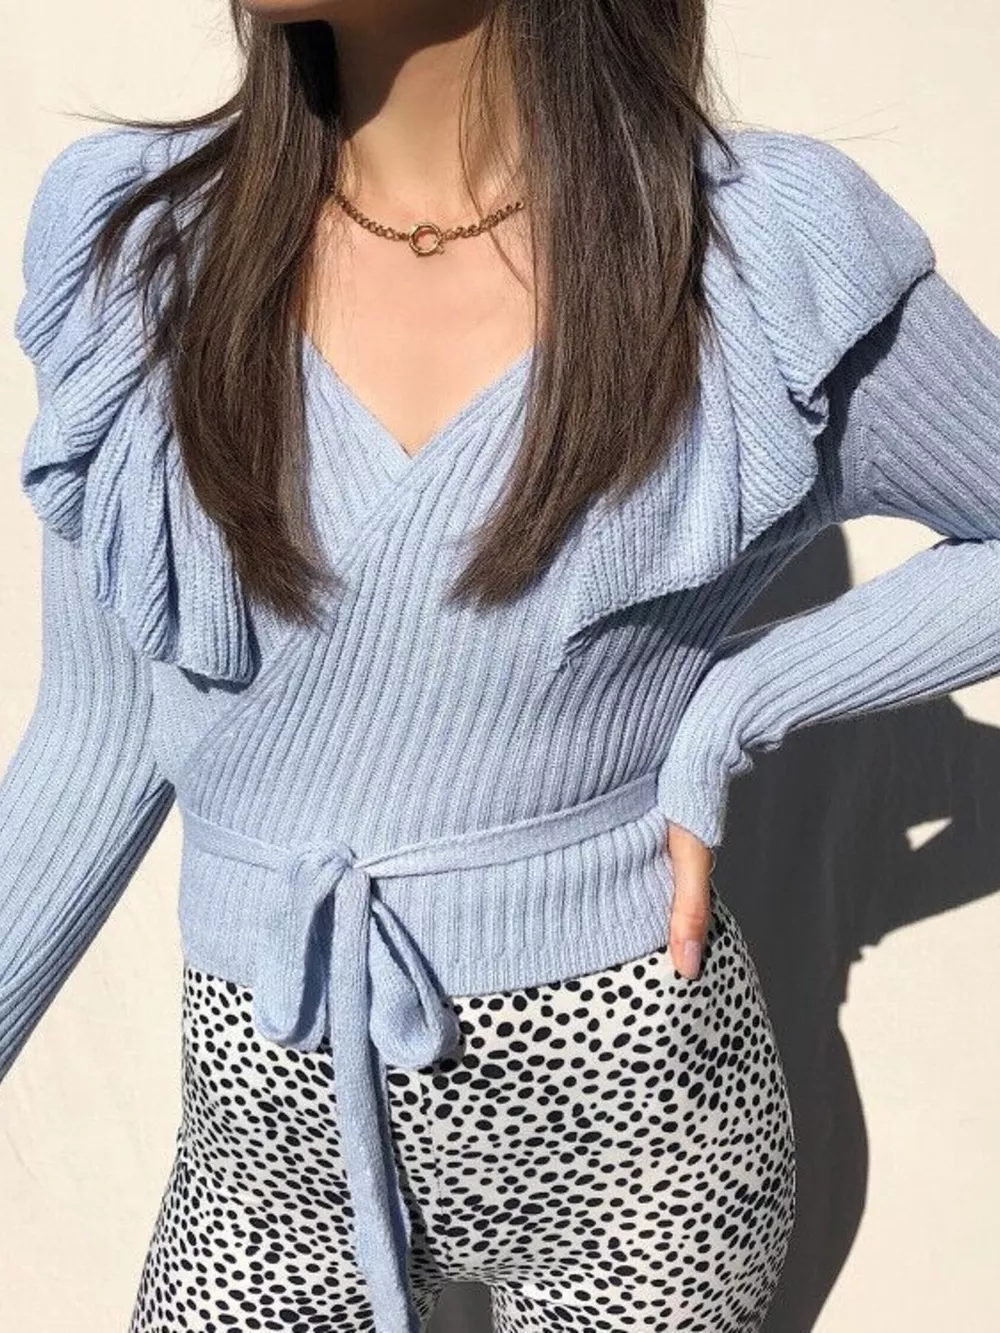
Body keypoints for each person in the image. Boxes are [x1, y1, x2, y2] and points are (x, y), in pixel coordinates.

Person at [3, 2, 999, 1331]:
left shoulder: (750, 249)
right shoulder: (139, 246)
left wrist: (739, 703)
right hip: (267, 1157)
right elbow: (100, 735)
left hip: (642, 1149)